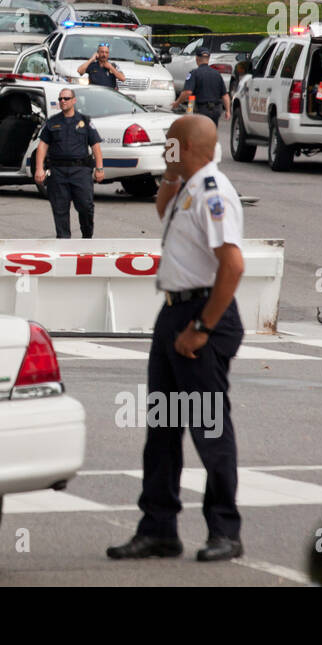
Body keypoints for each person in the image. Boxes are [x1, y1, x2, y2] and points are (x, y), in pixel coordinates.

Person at [107, 115, 245, 563]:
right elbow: (162, 209)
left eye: (169, 145)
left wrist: (201, 329)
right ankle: (159, 529)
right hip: (174, 313)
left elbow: (233, 266)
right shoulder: (187, 185)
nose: (164, 149)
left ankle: (225, 530)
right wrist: (170, 171)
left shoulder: (213, 192)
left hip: (203, 316)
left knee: (209, 428)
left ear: (184, 146)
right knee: (163, 430)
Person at [34, 89, 104, 238]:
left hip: (80, 171)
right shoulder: (52, 122)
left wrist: (99, 168)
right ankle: (64, 243)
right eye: (60, 99)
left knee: (86, 207)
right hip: (58, 172)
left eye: (66, 98)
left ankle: (87, 237)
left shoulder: (85, 121)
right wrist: (39, 168)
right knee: (60, 209)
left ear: (74, 100)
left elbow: (95, 146)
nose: (62, 101)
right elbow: (42, 146)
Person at [173, 49, 230, 126]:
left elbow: (188, 92)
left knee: (200, 133)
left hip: (202, 110)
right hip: (216, 110)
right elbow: (225, 95)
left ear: (196, 58)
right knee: (211, 132)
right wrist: (228, 111)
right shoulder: (217, 74)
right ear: (208, 59)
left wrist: (177, 103)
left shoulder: (194, 73)